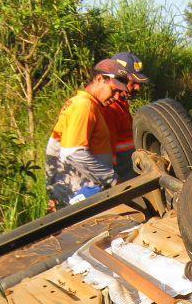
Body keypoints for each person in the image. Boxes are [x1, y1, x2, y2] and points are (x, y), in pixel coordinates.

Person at [45, 59, 129, 211]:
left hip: (78, 188)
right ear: (99, 79)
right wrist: (112, 179)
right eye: (114, 90)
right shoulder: (83, 105)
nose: (116, 97)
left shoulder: (88, 105)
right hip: (79, 192)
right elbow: (73, 153)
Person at [102, 52, 150, 182]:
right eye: (133, 82)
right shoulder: (109, 109)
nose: (138, 88)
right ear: (118, 79)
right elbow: (107, 156)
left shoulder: (121, 105)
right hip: (122, 181)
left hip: (131, 174)